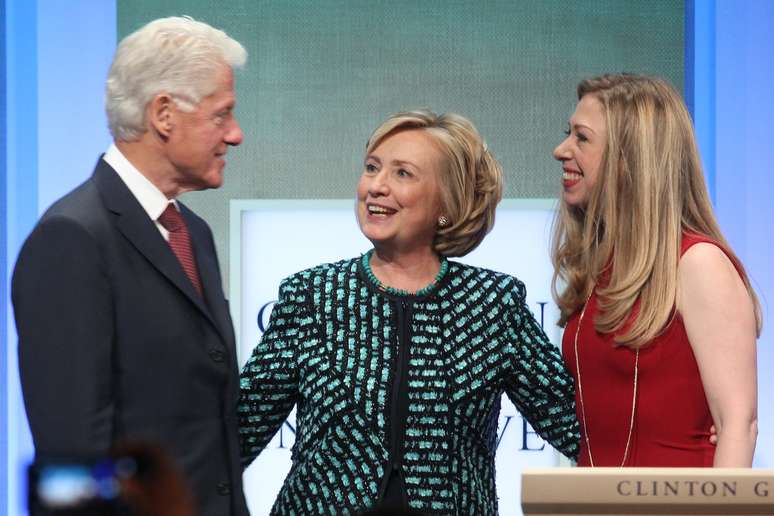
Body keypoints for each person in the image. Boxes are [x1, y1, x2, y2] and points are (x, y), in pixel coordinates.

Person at [238, 109, 579, 514]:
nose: (376, 187)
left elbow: (576, 429)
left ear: (447, 202)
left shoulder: (494, 303)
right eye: (371, 168)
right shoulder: (311, 296)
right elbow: (239, 432)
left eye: (403, 174)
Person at [12, 17, 249, 515]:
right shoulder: (72, 238)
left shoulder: (192, 234)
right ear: (164, 114)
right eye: (222, 115)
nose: (235, 134)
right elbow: (72, 451)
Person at [551, 73, 760, 467]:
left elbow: (738, 425)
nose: (560, 149)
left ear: (631, 156)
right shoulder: (599, 267)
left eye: (581, 137)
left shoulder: (698, 264)